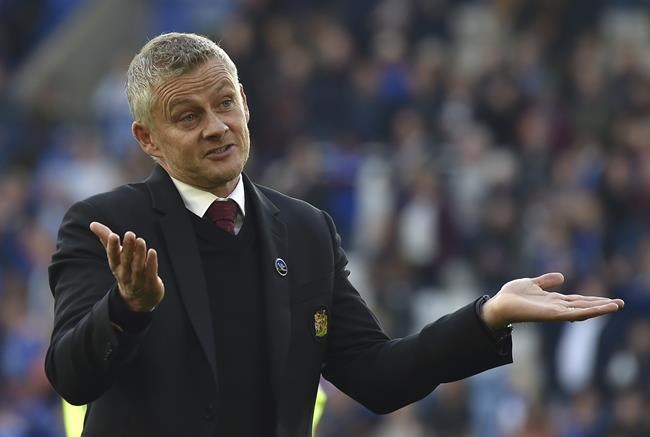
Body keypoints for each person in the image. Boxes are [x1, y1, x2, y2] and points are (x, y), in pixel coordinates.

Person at [44, 33, 624, 437]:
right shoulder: (106, 226)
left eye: (225, 103)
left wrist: (487, 316)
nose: (217, 127)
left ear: (245, 104)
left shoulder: (305, 230)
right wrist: (126, 308)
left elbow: (377, 376)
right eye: (188, 116)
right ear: (147, 139)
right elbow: (71, 377)